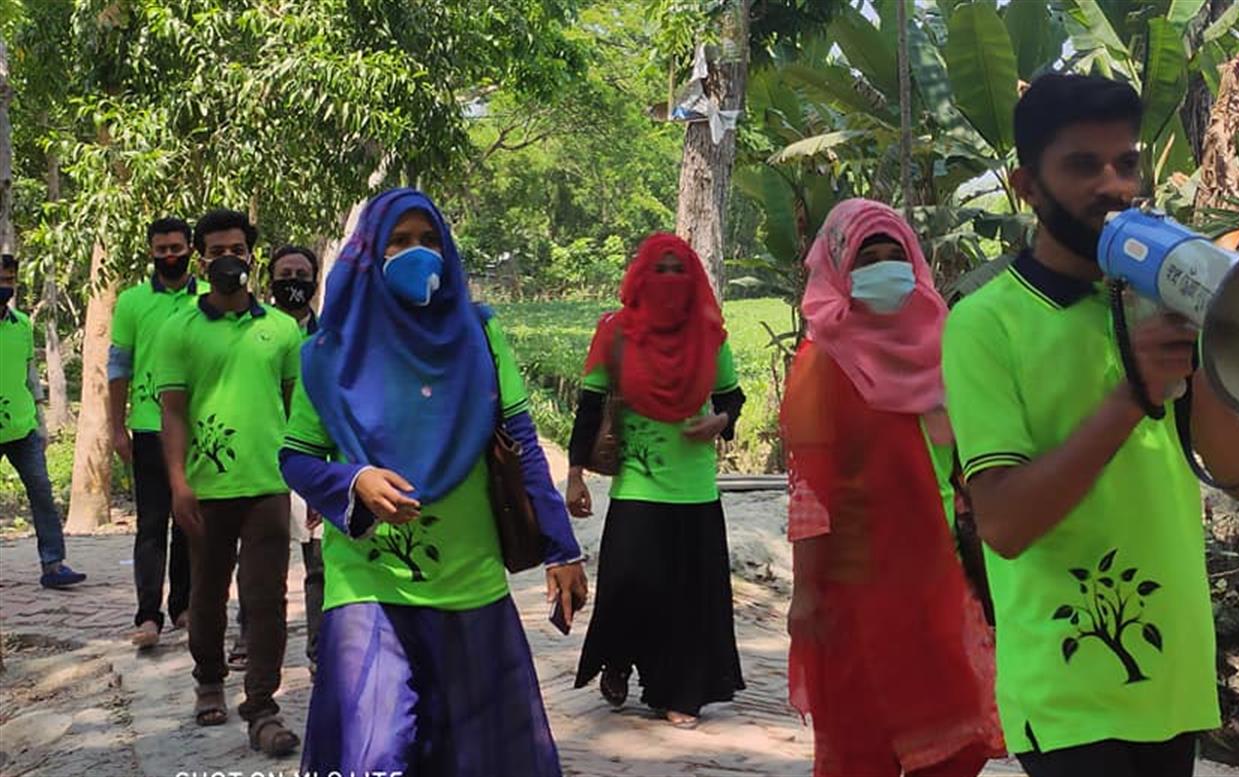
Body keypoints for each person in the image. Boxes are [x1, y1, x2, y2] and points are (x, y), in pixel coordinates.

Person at [942, 74, 1239, 777]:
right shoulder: (984, 323)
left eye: (1126, 162)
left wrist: (1200, 345)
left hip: (1174, 678)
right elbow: (1002, 522)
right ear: (1027, 184)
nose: (1115, 185)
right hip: (1067, 683)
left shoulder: (1159, 302)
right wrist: (1133, 395)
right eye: (1083, 166)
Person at [279, 188, 587, 776]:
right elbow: (295, 458)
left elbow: (520, 442)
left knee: (474, 758)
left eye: (428, 241)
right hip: (367, 584)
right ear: (370, 253)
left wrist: (560, 548)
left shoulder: (481, 337)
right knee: (373, 752)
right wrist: (357, 480)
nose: (417, 254)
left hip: (470, 584)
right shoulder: (327, 354)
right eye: (399, 241)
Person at [782, 199, 1006, 777]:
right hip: (857, 594)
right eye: (867, 258)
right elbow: (810, 494)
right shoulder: (823, 365)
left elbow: (969, 468)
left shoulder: (947, 349)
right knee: (865, 748)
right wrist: (805, 594)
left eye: (894, 255)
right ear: (839, 270)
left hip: (940, 586)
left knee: (956, 744)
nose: (885, 268)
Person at [566, 232, 746, 728]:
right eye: (660, 269)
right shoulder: (616, 333)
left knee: (688, 598)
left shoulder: (712, 337)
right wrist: (575, 475)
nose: (670, 280)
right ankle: (619, 658)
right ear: (641, 276)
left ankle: (679, 692)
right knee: (630, 587)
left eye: (679, 270)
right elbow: (588, 408)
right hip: (636, 488)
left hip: (695, 491)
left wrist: (721, 422)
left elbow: (732, 398)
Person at [155, 209, 303, 756]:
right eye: (215, 251)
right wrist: (178, 484)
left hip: (268, 484)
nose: (227, 260)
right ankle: (208, 681)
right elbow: (172, 413)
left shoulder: (283, 330)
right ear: (201, 258)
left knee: (266, 599)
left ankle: (262, 707)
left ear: (251, 255)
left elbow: (296, 408)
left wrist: (307, 477)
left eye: (236, 250)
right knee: (207, 593)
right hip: (205, 489)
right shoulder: (179, 329)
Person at [111, 217, 205, 649]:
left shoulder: (209, 299)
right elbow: (118, 368)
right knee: (151, 523)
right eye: (161, 248)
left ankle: (184, 606)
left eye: (176, 247)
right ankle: (148, 615)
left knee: (188, 522)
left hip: (199, 429)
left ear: (190, 248)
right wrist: (116, 429)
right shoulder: (131, 302)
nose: (170, 255)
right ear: (150, 251)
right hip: (148, 427)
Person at [0, 253, 86, 590]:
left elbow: (30, 373)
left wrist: (41, 418)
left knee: (42, 493)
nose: (4, 286)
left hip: (23, 428)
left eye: (9, 280)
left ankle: (54, 564)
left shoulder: (22, 324)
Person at [268, 244, 324, 675]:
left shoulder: (329, 340)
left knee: (318, 564)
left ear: (315, 280)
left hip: (313, 462)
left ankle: (320, 651)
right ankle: (251, 640)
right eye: (285, 273)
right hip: (261, 460)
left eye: (301, 274)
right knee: (259, 563)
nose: (293, 282)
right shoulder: (254, 334)